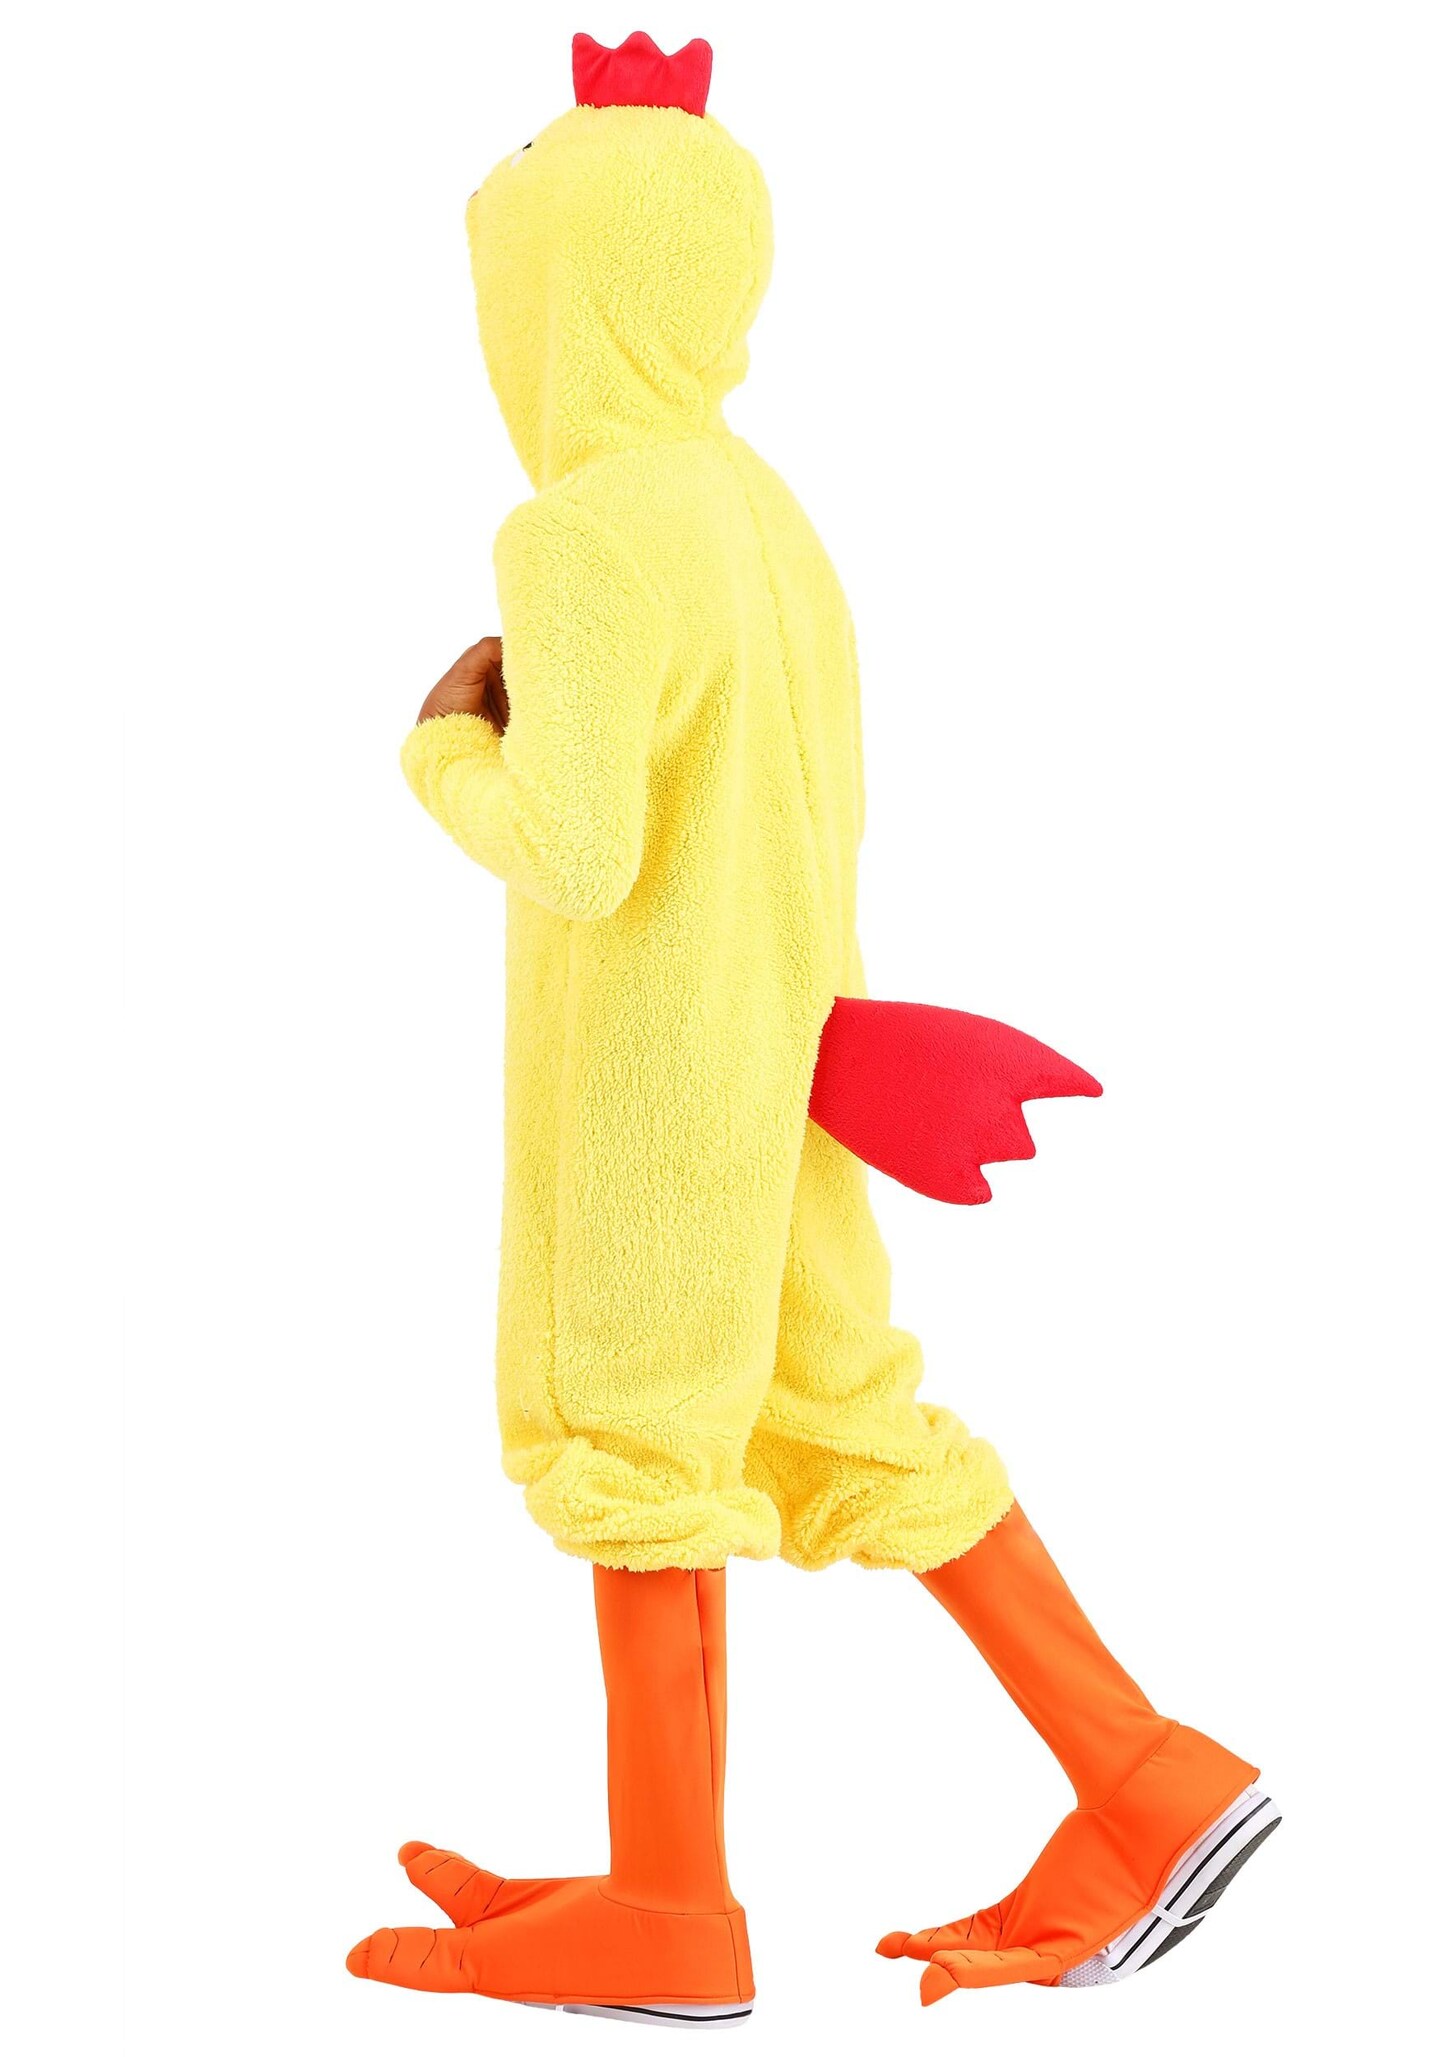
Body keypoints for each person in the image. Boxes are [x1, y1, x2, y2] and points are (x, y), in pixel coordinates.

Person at [346, 32, 1275, 2022]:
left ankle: (671, 1902)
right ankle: (1145, 1772)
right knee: (853, 1421)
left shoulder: (581, 533)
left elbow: (577, 849)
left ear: (555, 301)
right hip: (806, 1066)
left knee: (634, 1441)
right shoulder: (769, 514)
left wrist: (442, 748)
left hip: (661, 1090)